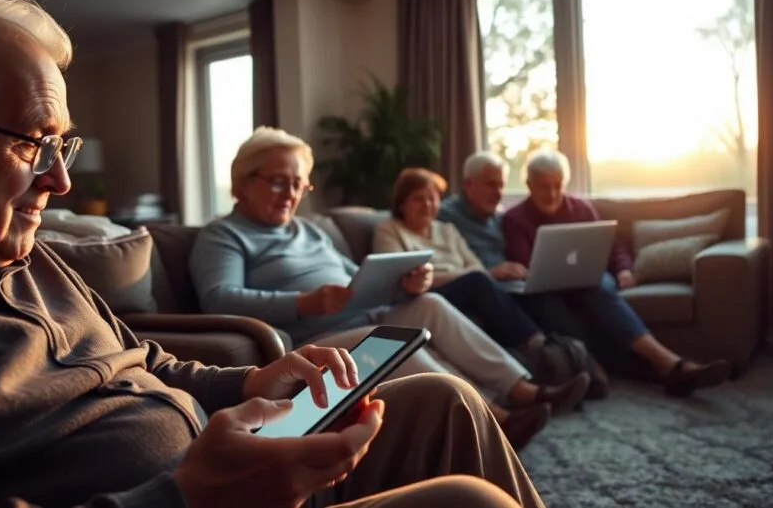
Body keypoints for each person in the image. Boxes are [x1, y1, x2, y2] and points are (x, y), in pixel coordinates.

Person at [0, 0, 547, 508]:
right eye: (36, 143)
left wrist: (252, 384)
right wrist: (189, 494)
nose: (62, 179)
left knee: (445, 401)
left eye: (60, 144)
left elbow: (145, 359)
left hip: (233, 467)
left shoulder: (23, 251)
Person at [189, 128, 592, 450]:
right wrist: (304, 302)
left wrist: (401, 285)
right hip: (315, 343)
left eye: (298, 184)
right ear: (241, 183)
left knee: (429, 303)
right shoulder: (224, 235)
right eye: (278, 182)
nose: (291, 194)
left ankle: (525, 390)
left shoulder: (308, 230)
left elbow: (357, 276)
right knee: (389, 338)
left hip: (362, 317)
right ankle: (491, 420)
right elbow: (219, 299)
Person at [439, 150, 730, 397]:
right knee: (550, 303)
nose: (552, 193)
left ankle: (665, 360)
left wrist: (625, 268)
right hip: (542, 288)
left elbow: (611, 244)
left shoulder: (579, 207)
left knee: (598, 290)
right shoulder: (510, 219)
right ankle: (663, 371)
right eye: (543, 186)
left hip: (589, 281)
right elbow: (524, 265)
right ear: (529, 185)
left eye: (557, 185)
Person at [373, 168, 555, 355]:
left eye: (432, 198)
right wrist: (462, 276)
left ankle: (545, 341)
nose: (427, 204)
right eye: (418, 199)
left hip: (465, 287)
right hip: (426, 293)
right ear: (402, 204)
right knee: (477, 280)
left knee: (513, 287)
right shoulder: (389, 229)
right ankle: (534, 341)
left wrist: (467, 275)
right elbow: (398, 276)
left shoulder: (446, 229)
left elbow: (476, 266)